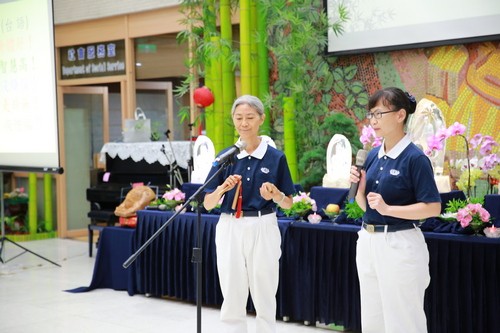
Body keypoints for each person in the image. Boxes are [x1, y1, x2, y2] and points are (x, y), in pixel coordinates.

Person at [349, 87, 441, 333]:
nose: (374, 120)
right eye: (371, 114)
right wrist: (358, 189)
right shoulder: (373, 156)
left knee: (403, 319)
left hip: (399, 243)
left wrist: (390, 208)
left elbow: (432, 207)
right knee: (372, 316)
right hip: (368, 240)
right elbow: (366, 206)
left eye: (380, 113)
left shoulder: (414, 158)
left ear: (400, 115)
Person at [203, 95, 295, 333]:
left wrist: (275, 195)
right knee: (231, 288)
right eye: (239, 118)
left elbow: (288, 203)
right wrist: (222, 189)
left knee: (264, 289)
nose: (244, 123)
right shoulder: (225, 157)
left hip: (263, 226)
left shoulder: (275, 157)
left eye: (250, 118)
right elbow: (207, 204)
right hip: (229, 226)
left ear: (261, 119)